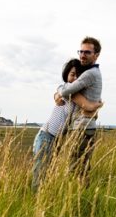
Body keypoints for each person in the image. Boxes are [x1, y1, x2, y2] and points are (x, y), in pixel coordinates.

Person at [32, 58, 103, 191]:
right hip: (47, 136)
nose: (75, 78)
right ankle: (35, 204)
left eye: (79, 75)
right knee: (40, 175)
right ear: (66, 75)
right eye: (72, 74)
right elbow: (88, 106)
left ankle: (43, 201)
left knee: (48, 174)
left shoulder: (75, 92)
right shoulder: (66, 89)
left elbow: (90, 110)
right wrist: (97, 105)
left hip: (57, 139)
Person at [55, 36, 104, 178]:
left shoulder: (90, 74)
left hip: (82, 127)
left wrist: (59, 89)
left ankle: (78, 196)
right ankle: (81, 194)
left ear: (96, 55)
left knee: (76, 168)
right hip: (85, 125)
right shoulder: (93, 73)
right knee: (82, 166)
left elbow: (65, 92)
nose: (82, 55)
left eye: (87, 52)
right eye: (81, 51)